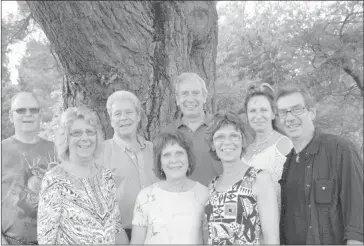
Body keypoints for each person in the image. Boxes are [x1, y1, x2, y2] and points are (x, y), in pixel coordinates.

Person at [276, 84, 363, 245]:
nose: (289, 118)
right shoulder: (288, 163)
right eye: (283, 113)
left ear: (312, 112)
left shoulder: (340, 150)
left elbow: (358, 219)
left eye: (296, 109)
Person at [37, 106, 129, 244]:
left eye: (90, 132)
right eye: (77, 133)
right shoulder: (54, 180)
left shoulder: (106, 175)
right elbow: (47, 240)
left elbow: (116, 228)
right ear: (66, 139)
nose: (85, 138)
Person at [204, 111, 279, 244]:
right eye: (220, 137)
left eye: (234, 136)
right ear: (212, 145)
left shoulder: (259, 179)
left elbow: (272, 239)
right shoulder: (212, 186)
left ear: (243, 140)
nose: (227, 142)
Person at [131, 131, 209, 244]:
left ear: (189, 159)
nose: (173, 160)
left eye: (179, 153)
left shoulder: (204, 194)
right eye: (167, 155)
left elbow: (208, 241)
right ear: (160, 163)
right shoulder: (145, 196)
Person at [1, 91, 57, 245]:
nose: (28, 114)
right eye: (21, 110)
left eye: (34, 110)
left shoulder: (57, 150)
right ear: (11, 116)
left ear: (40, 115)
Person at [101, 90, 157, 241]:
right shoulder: (101, 153)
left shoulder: (154, 150)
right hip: (119, 235)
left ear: (138, 116)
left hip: (156, 232)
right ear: (111, 120)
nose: (123, 118)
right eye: (117, 114)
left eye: (129, 112)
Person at [163, 72, 223, 186]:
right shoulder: (168, 133)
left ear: (204, 97)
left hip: (218, 200)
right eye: (185, 94)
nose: (190, 99)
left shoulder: (220, 128)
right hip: (183, 201)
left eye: (196, 93)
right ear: (177, 99)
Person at [242, 82, 293, 206]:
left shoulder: (284, 145)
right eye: (252, 111)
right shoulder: (245, 150)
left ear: (273, 113)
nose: (258, 116)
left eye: (263, 110)